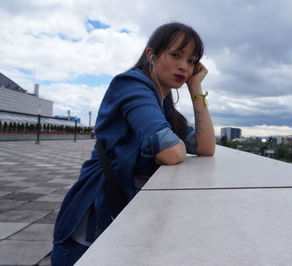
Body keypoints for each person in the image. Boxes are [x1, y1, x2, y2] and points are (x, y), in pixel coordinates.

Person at [51, 22, 215, 265]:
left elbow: (205, 147)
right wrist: (170, 147)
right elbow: (170, 152)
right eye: (176, 55)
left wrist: (196, 88)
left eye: (191, 61)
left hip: (119, 217)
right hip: (91, 226)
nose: (184, 66)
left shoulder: (164, 103)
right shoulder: (131, 85)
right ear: (152, 55)